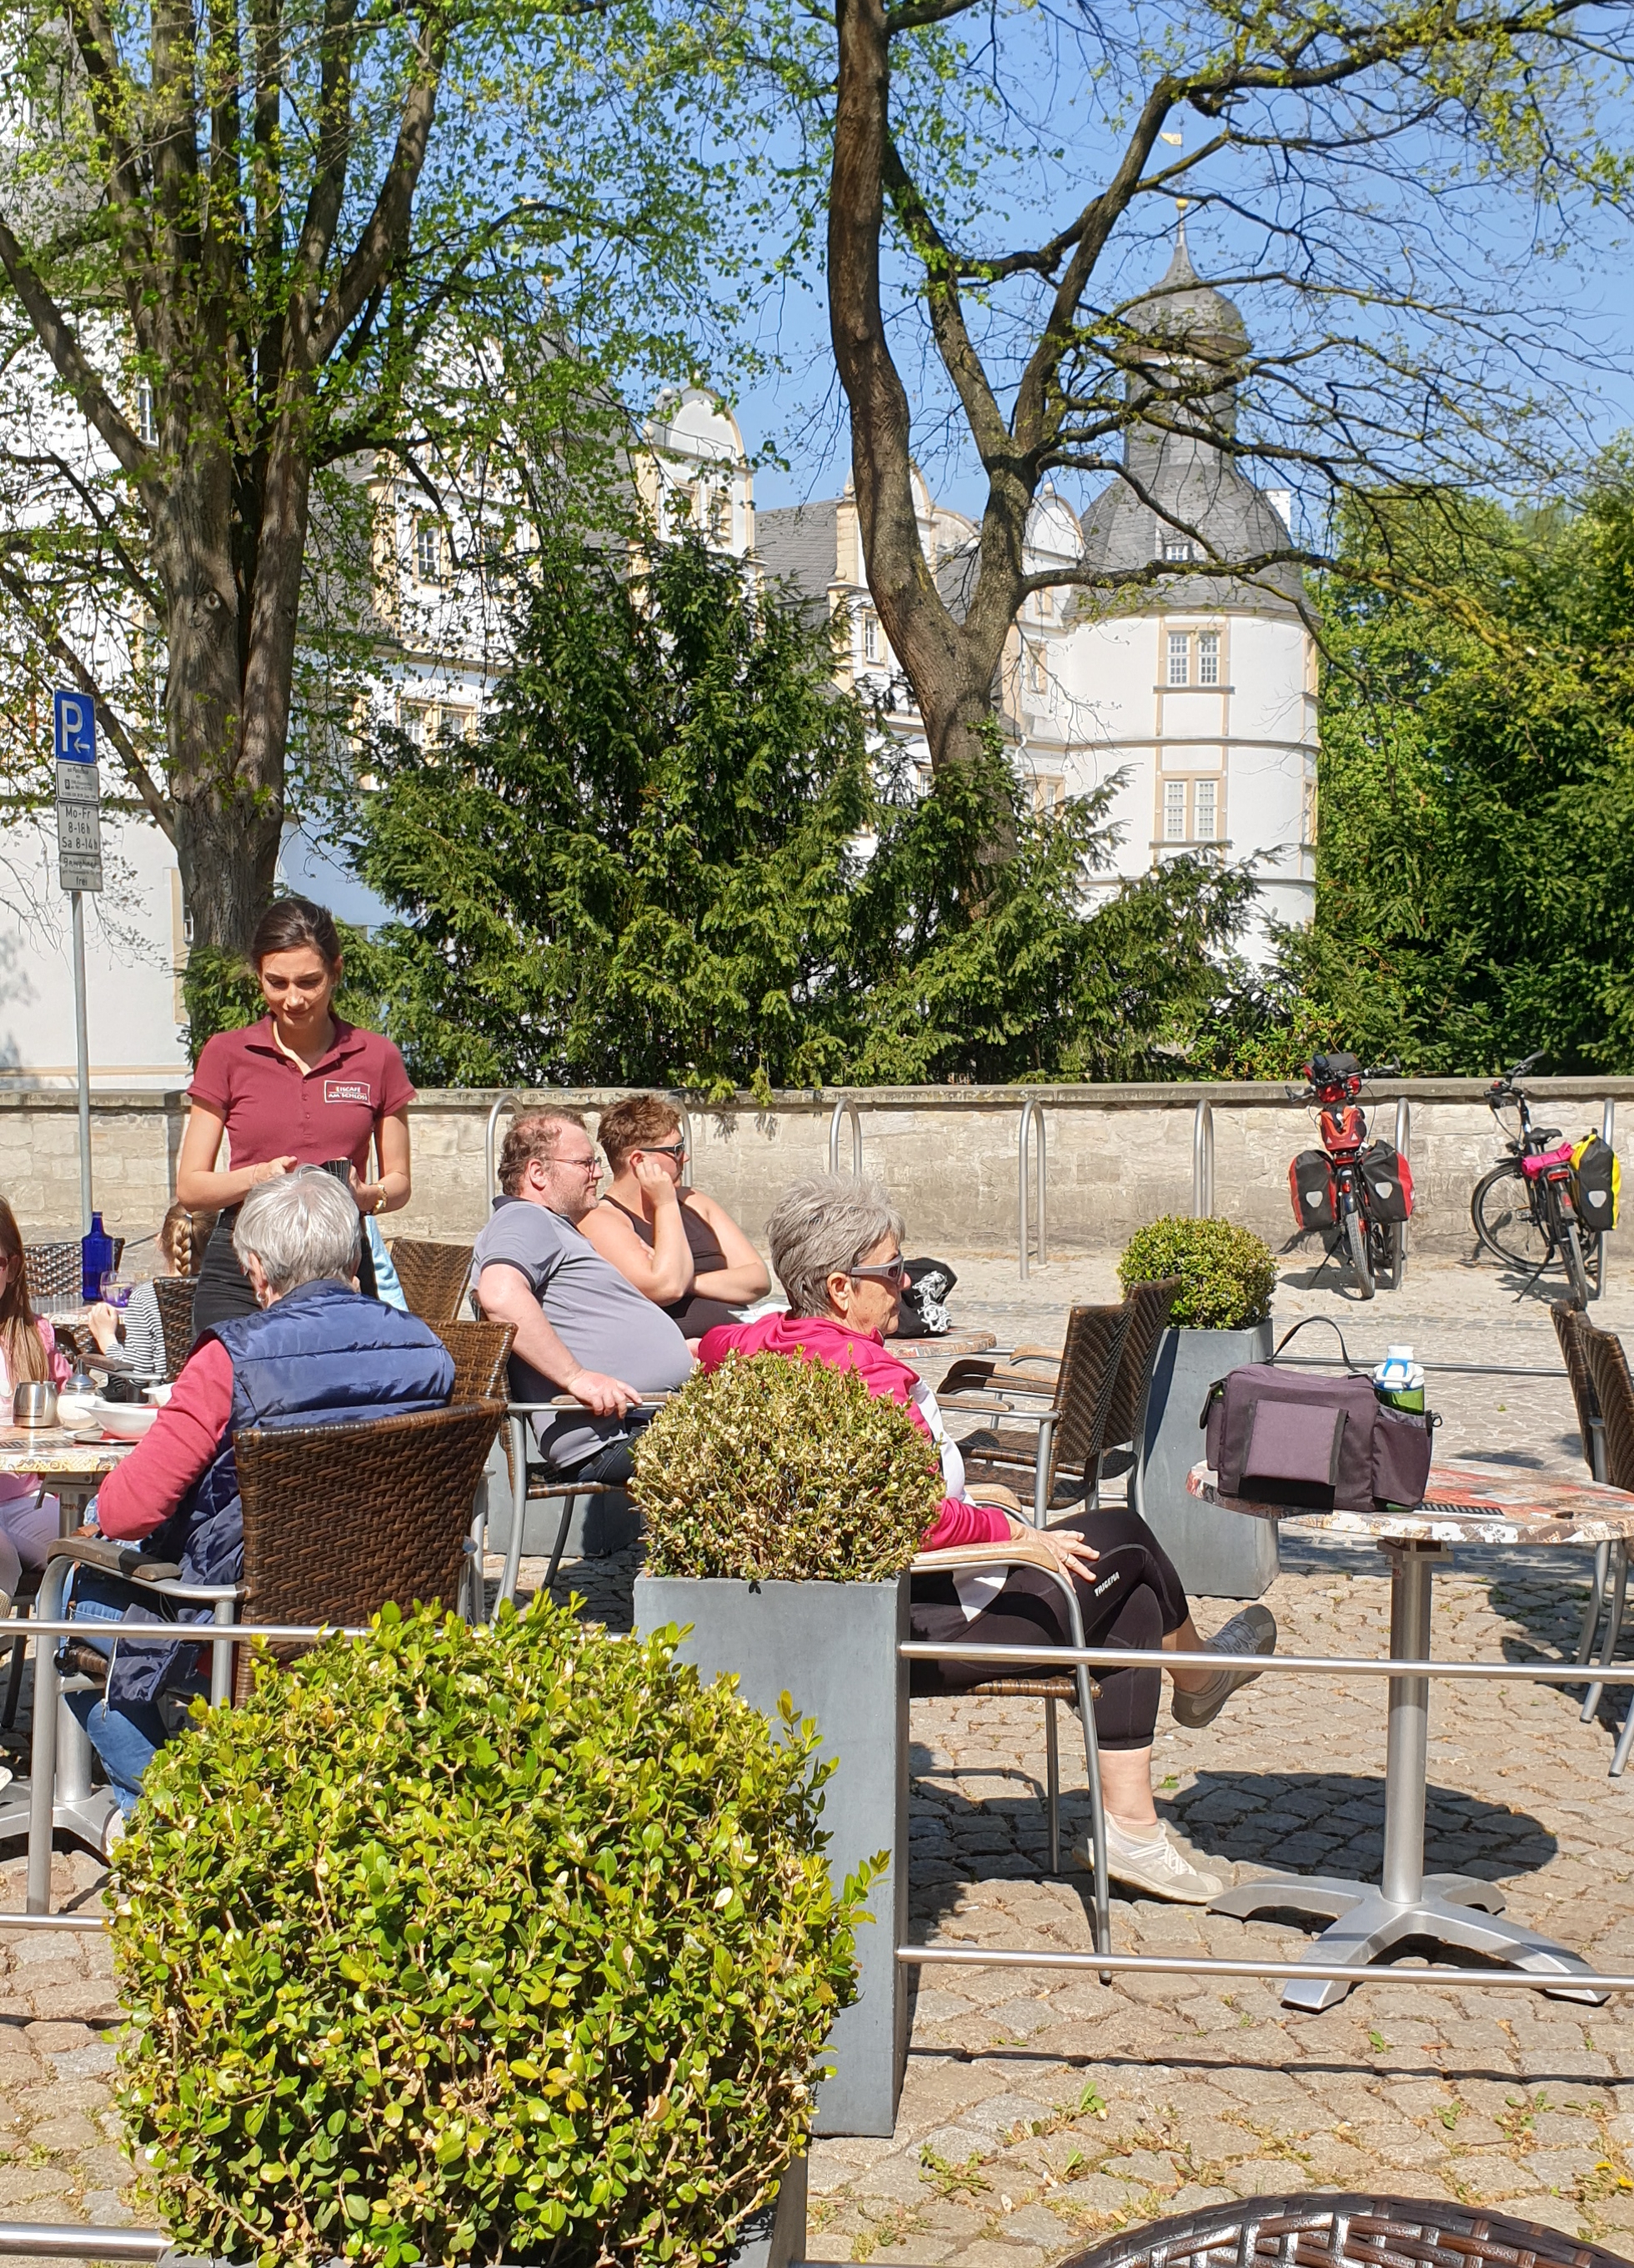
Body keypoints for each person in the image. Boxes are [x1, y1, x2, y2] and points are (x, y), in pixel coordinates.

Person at [699, 1174, 1277, 1906]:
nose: (906, 1284)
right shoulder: (871, 1380)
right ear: (842, 1287)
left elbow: (710, 1342)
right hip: (926, 1615)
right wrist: (1011, 1529)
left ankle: (1134, 1826)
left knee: (1120, 1586)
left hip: (859, 1602)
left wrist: (988, 1503)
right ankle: (1197, 1679)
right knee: (1124, 1545)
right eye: (893, 1271)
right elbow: (920, 1521)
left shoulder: (752, 1347)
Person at [63, 1169, 454, 1836]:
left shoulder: (232, 1359)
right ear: (354, 1255)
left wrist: (99, 1511)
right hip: (389, 1606)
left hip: (246, 1622)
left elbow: (132, 1509)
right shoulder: (428, 1347)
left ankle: (182, 1821)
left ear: (254, 1271)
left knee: (71, 1597)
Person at [177, 897, 416, 1332]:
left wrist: (367, 1197)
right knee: (231, 1391)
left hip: (339, 1267)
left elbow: (399, 1184)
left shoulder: (377, 1056)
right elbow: (191, 1187)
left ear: (336, 972)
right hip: (242, 1268)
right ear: (258, 976)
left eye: (309, 982)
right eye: (277, 982)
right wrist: (257, 1178)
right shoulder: (226, 1053)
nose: (293, 999)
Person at [473, 1110, 694, 1486]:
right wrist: (577, 1378)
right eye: (585, 1163)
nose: (598, 1173)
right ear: (537, 1173)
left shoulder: (553, 1227)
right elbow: (499, 1293)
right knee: (775, 1442)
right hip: (617, 1437)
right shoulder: (526, 1219)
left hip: (639, 1423)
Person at [579, 1094, 769, 1338]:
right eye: (677, 1150)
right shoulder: (602, 1220)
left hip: (742, 1343)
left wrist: (691, 1282)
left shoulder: (693, 1201)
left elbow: (758, 1278)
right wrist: (665, 1202)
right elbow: (667, 1287)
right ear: (639, 1160)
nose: (685, 1157)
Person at [0, 1198, 73, 1610]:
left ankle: (67, 1661)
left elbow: (71, 1416)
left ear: (10, 1267)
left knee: (88, 1553)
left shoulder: (34, 1335)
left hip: (30, 1497)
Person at [87, 1202, 217, 1378]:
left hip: (164, 1399)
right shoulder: (224, 1290)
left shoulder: (146, 1296)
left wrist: (106, 1338)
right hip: (216, 1393)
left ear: (160, 1241)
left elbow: (138, 1374)